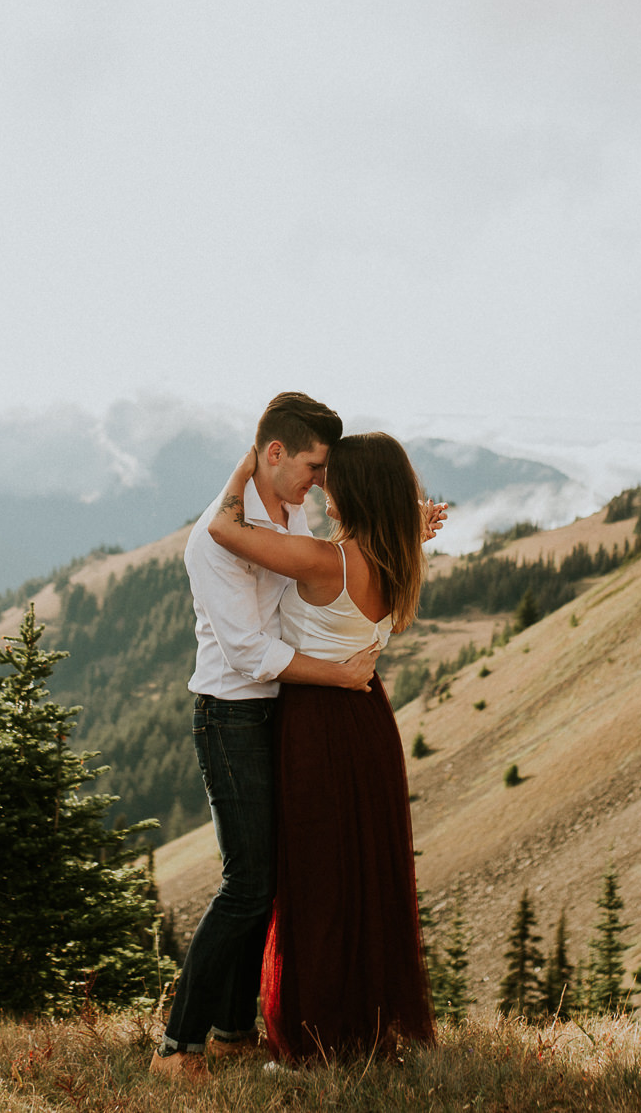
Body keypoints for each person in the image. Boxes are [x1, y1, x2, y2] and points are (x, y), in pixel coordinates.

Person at [151, 393, 383, 1083]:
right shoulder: (212, 540)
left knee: (268, 878)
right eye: (313, 465)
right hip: (231, 714)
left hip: (275, 712)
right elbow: (251, 653)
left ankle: (229, 1031)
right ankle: (176, 1045)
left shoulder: (291, 504)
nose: (320, 480)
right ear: (273, 454)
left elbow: (305, 583)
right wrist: (339, 676)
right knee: (246, 885)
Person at [204, 430, 438, 1064]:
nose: (321, 485)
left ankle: (320, 1036)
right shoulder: (397, 557)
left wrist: (250, 459)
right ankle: (367, 1024)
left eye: (331, 478)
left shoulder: (323, 560)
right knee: (364, 872)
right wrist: (413, 525)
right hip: (367, 720)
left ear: (356, 490)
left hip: (316, 724)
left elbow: (224, 531)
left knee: (316, 880)